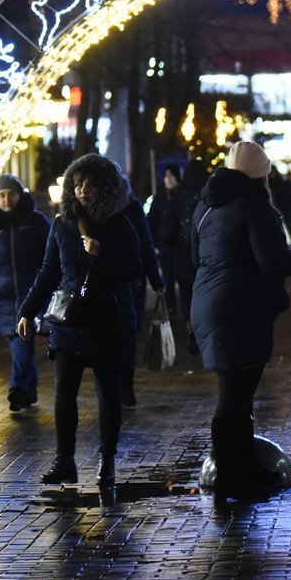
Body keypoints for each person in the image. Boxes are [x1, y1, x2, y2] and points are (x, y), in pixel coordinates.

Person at [18, 154, 143, 489]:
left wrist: (103, 252)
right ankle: (65, 460)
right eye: (77, 184)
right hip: (68, 322)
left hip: (108, 322)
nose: (83, 190)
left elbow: (135, 270)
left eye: (90, 184)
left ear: (104, 188)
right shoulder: (62, 225)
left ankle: (107, 459)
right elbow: (48, 273)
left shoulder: (119, 224)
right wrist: (26, 311)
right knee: (63, 393)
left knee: (108, 394)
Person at [192, 142, 291, 501]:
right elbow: (271, 261)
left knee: (239, 393)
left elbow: (196, 255)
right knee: (233, 397)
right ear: (261, 175)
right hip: (240, 306)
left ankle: (246, 468)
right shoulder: (255, 205)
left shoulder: (206, 204)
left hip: (211, 301)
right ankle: (231, 477)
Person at [0, 174, 51, 412]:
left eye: (11, 194)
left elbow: (51, 253)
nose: (6, 199)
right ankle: (28, 391)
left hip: (31, 294)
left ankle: (17, 388)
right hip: (2, 297)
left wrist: (45, 282)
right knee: (20, 343)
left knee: (21, 340)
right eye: (2, 195)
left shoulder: (36, 221)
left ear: (20, 195)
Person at [119, 171, 165, 406]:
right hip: (107, 285)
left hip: (131, 282)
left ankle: (124, 386)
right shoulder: (95, 210)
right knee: (116, 338)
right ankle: (119, 386)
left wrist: (156, 280)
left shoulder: (132, 208)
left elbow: (146, 246)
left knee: (127, 336)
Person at [160, 158, 208, 355]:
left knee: (187, 298)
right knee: (206, 297)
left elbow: (168, 233)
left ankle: (192, 331)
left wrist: (168, 255)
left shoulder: (177, 198)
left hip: (183, 260)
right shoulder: (209, 197)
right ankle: (206, 333)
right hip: (206, 260)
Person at [150, 165, 180, 316]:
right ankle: (171, 310)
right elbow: (151, 223)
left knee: (184, 280)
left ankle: (186, 313)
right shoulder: (159, 199)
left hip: (181, 248)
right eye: (165, 176)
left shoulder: (183, 196)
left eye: (171, 175)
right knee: (167, 280)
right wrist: (155, 245)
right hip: (164, 248)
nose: (168, 179)